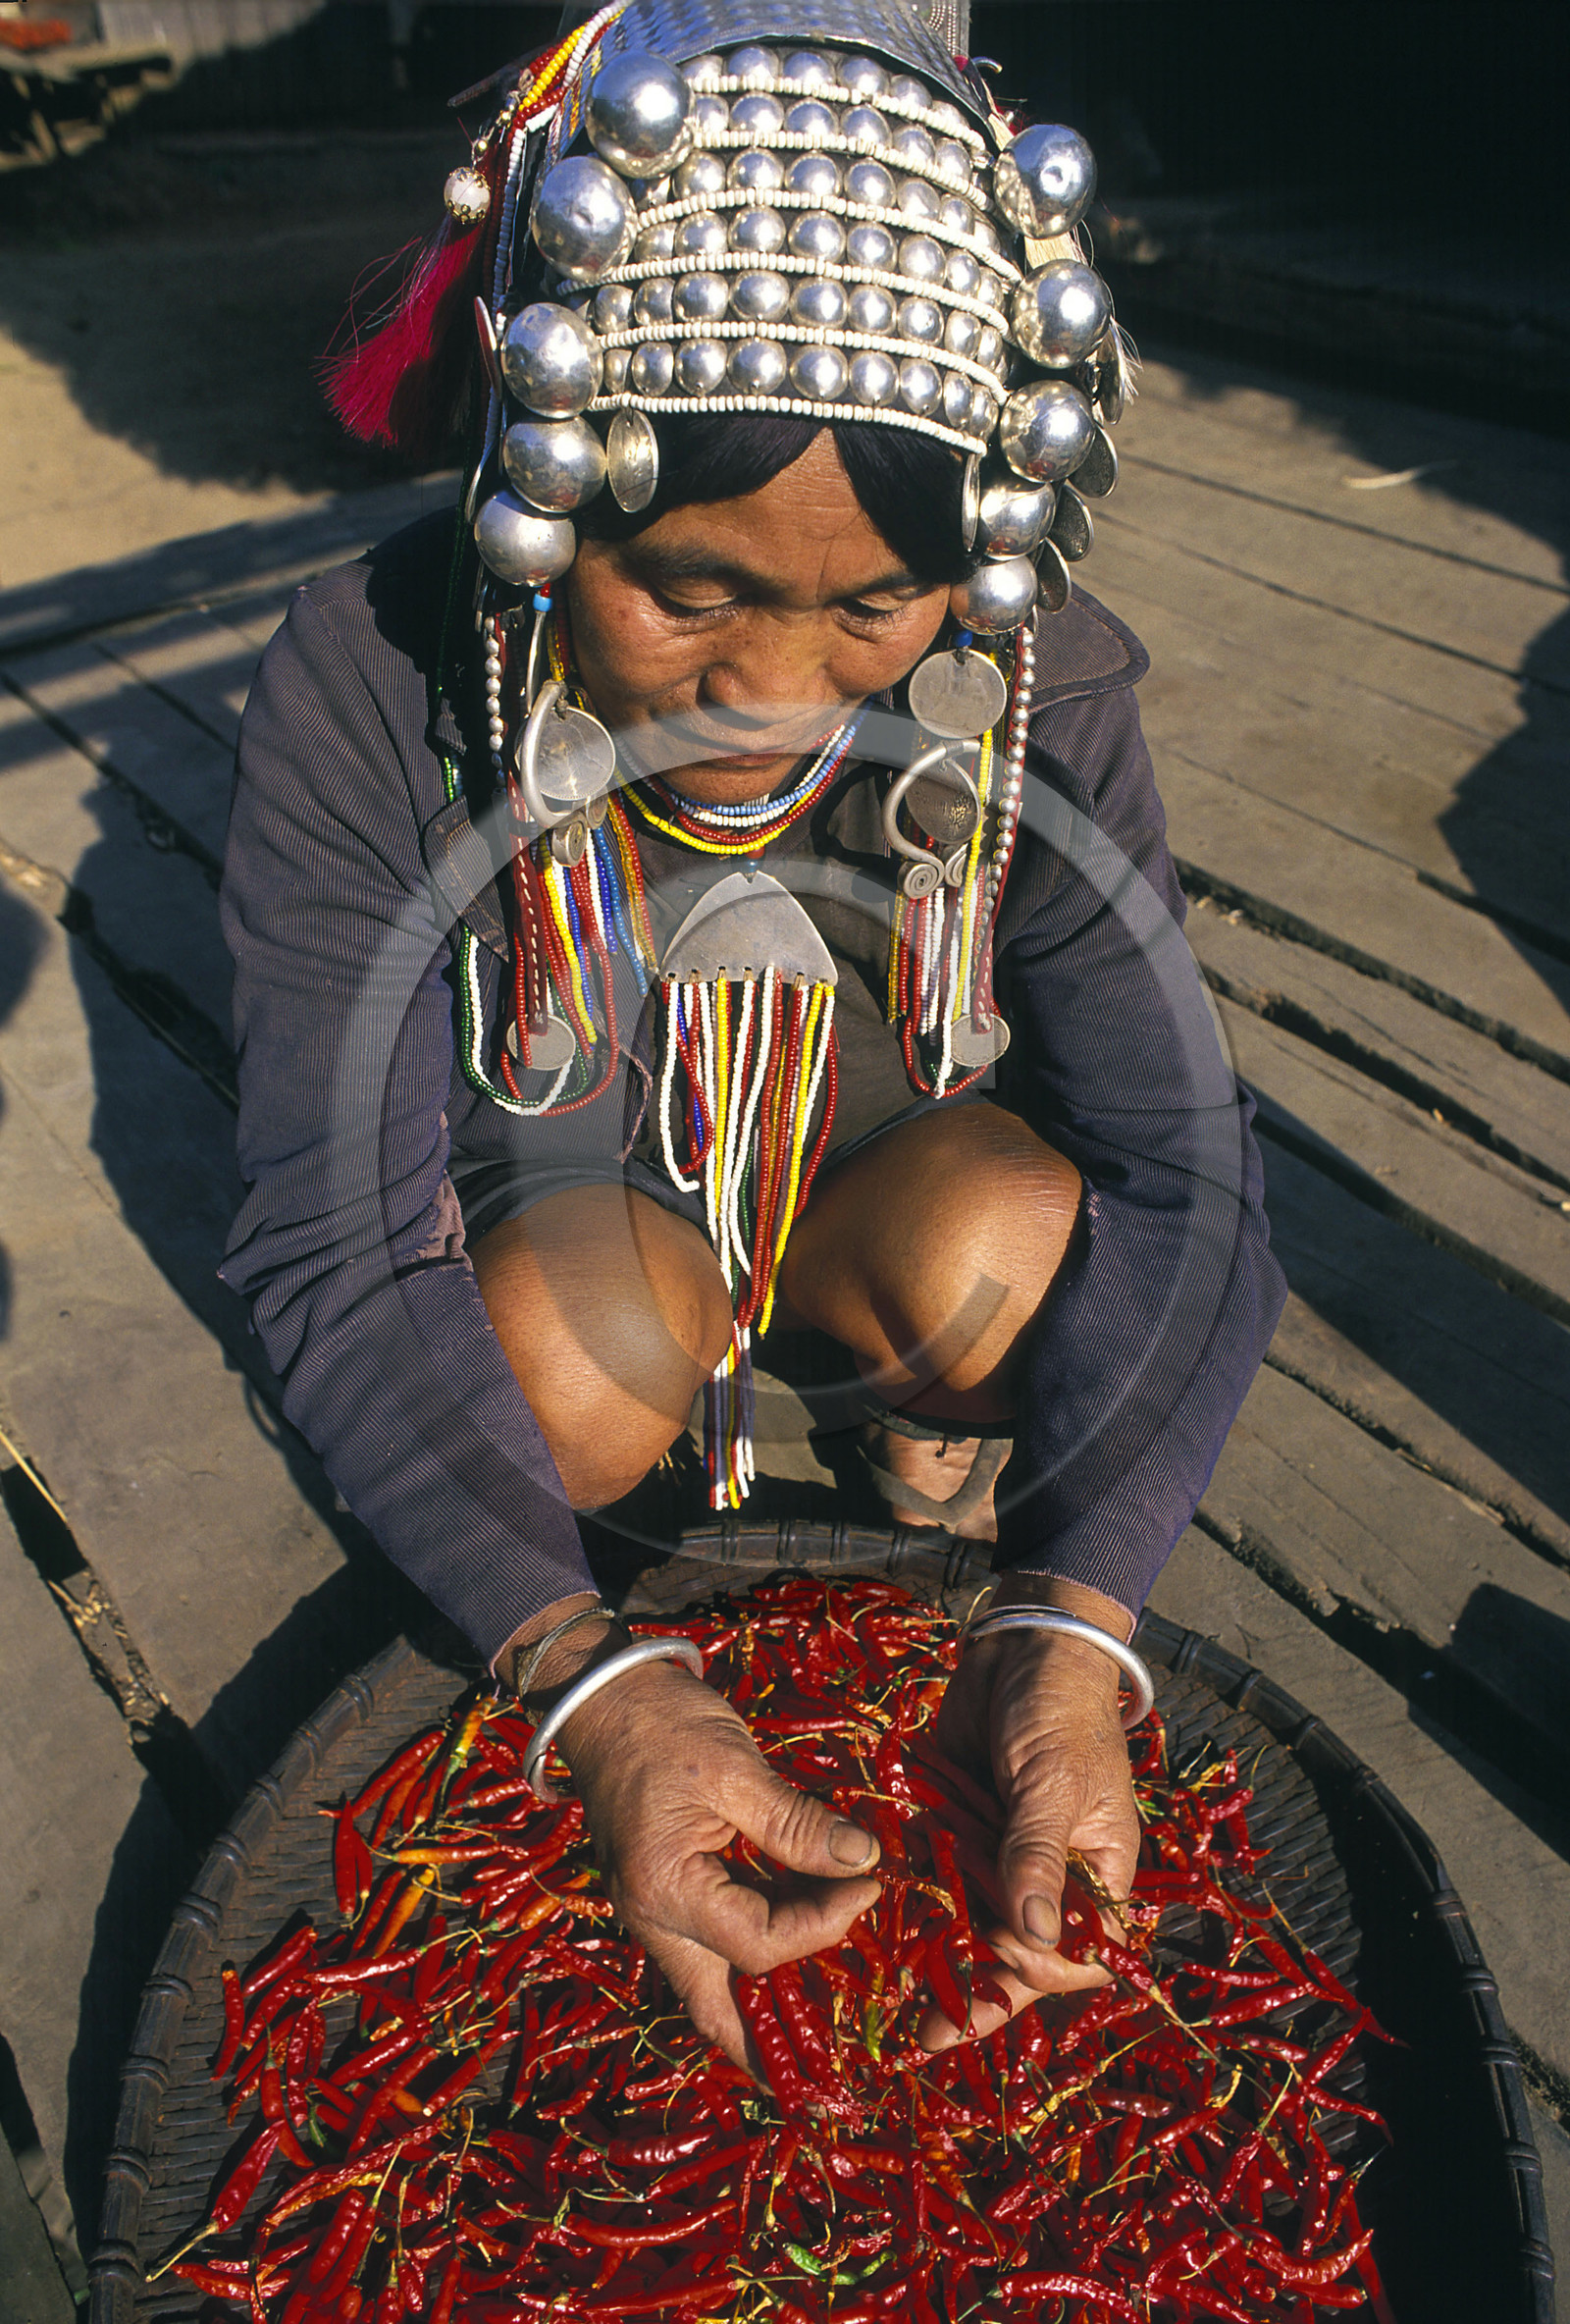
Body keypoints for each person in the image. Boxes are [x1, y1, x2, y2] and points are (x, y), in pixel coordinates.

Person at [219, 0, 1285, 2074]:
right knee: (577, 1364)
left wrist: (1075, 1620)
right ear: (537, 488)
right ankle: (615, 1503)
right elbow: (332, 1242)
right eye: (688, 590)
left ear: (974, 561)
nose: (776, 690)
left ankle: (904, 1411)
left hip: (877, 1175)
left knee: (1017, 1251)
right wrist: (589, 1682)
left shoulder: (1030, 684)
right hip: (569, 1199)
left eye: (873, 608)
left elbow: (1187, 1166)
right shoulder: (371, 685)